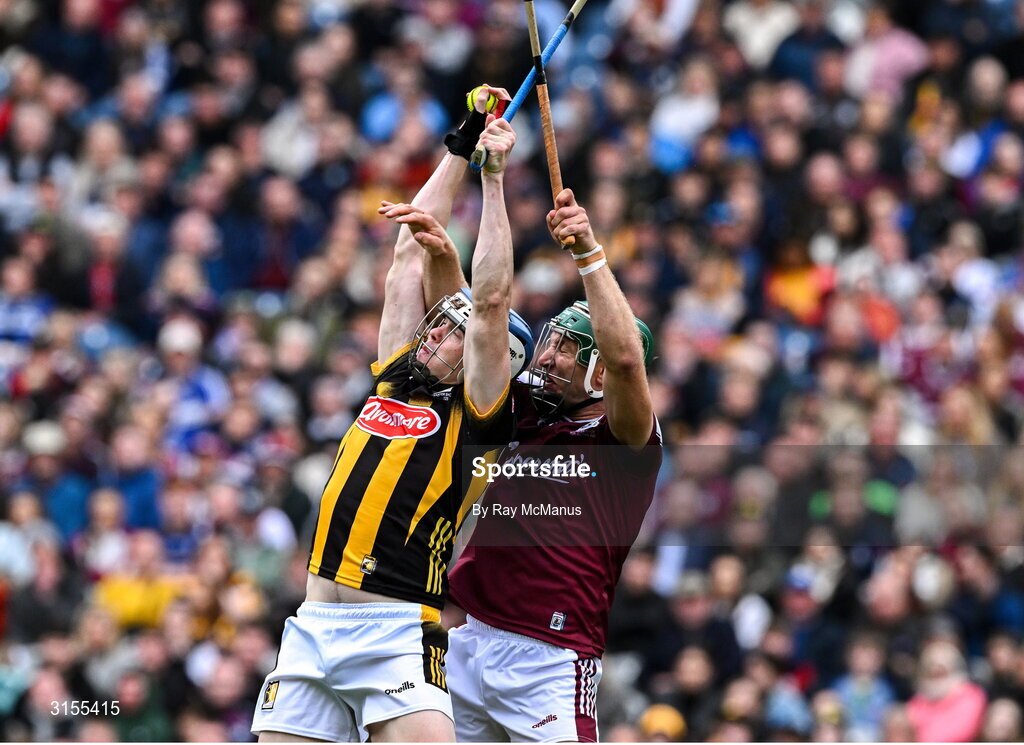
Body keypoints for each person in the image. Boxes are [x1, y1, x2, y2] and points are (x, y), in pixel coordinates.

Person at [251, 87, 534, 743]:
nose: (435, 333)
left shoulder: (481, 413)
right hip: (313, 624)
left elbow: (490, 303)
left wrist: (493, 183)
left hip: (397, 632)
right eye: (439, 324)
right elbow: (409, 251)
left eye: (452, 332)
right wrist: (464, 141)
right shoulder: (396, 378)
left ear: (493, 360)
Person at [445, 188, 662, 742]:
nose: (544, 358)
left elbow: (625, 359)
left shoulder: (624, 441)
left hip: (550, 659)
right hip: (471, 638)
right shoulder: (529, 412)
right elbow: (472, 327)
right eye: (551, 342)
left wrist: (589, 253)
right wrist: (444, 255)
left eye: (566, 349)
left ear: (597, 373)